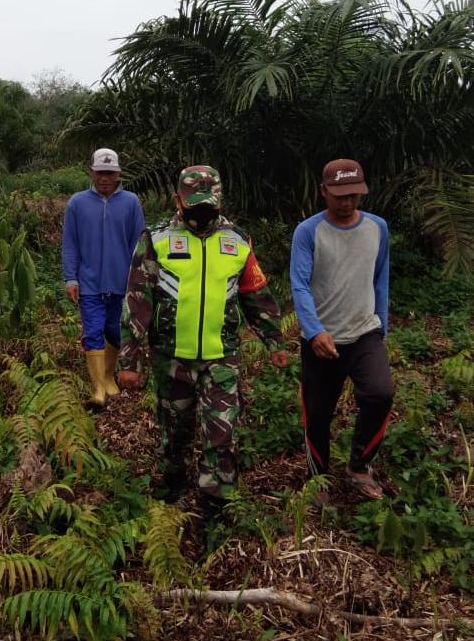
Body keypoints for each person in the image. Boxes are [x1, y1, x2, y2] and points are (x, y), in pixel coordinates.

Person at [117, 166, 287, 522]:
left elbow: (255, 293)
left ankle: (216, 506)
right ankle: (170, 496)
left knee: (221, 435)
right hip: (171, 357)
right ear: (178, 199)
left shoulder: (237, 241)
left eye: (208, 204)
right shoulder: (158, 238)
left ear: (219, 200)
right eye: (193, 204)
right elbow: (137, 299)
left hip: (221, 358)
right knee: (174, 433)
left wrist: (274, 341)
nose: (201, 211)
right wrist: (128, 361)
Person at [289, 158, 395, 502]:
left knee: (380, 394)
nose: (346, 201)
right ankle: (317, 479)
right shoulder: (308, 232)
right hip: (322, 338)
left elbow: (380, 277)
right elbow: (300, 285)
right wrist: (313, 330)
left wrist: (381, 324)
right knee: (318, 413)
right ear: (324, 192)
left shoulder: (377, 227)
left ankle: (360, 466)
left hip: (365, 332)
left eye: (353, 194)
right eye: (338, 195)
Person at [61, 148, 145, 407]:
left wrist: (138, 280)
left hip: (121, 283)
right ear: (91, 172)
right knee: (93, 331)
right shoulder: (77, 202)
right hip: (89, 283)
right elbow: (70, 243)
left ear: (118, 173)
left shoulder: (131, 203)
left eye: (109, 173)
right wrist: (70, 278)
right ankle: (97, 388)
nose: (105, 178)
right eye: (100, 173)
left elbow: (138, 244)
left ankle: (109, 376)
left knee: (114, 330)